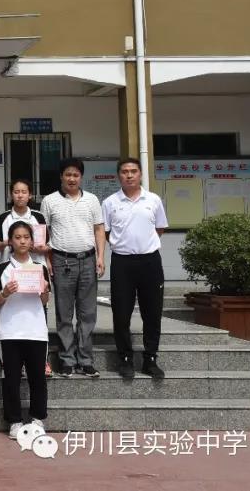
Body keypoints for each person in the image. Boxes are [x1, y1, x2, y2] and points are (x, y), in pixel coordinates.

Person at [102, 157, 169, 380]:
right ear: (118, 175)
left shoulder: (153, 200)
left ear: (140, 174)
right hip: (122, 263)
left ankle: (150, 359)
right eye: (124, 171)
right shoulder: (110, 202)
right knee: (121, 313)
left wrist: (144, 245)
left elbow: (159, 228)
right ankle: (125, 358)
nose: (129, 175)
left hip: (150, 262)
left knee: (152, 313)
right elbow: (106, 232)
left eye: (133, 171)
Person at [40, 157, 105, 378]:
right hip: (62, 260)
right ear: (61, 176)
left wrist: (101, 257)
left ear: (81, 177)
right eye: (68, 174)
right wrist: (48, 260)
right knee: (64, 313)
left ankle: (85, 360)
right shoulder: (49, 201)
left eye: (76, 175)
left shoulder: (92, 200)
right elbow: (44, 233)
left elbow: (99, 229)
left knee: (88, 313)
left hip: (88, 260)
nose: (72, 178)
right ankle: (67, 360)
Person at [0, 221, 51, 440]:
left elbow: (44, 301)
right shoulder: (2, 269)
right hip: (10, 332)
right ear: (10, 241)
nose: (22, 241)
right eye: (17, 237)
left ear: (32, 241)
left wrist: (44, 290)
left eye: (26, 237)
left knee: (37, 378)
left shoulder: (40, 268)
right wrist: (5, 292)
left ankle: (37, 418)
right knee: (11, 379)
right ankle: (14, 421)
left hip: (36, 331)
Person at [0, 178, 52, 376]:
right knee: (9, 311)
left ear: (30, 195)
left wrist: (41, 251)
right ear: (11, 195)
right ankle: (10, 361)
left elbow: (47, 245)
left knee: (39, 312)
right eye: (16, 192)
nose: (20, 195)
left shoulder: (38, 216)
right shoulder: (3, 217)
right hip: (11, 268)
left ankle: (42, 360)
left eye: (24, 192)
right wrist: (5, 243)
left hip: (35, 269)